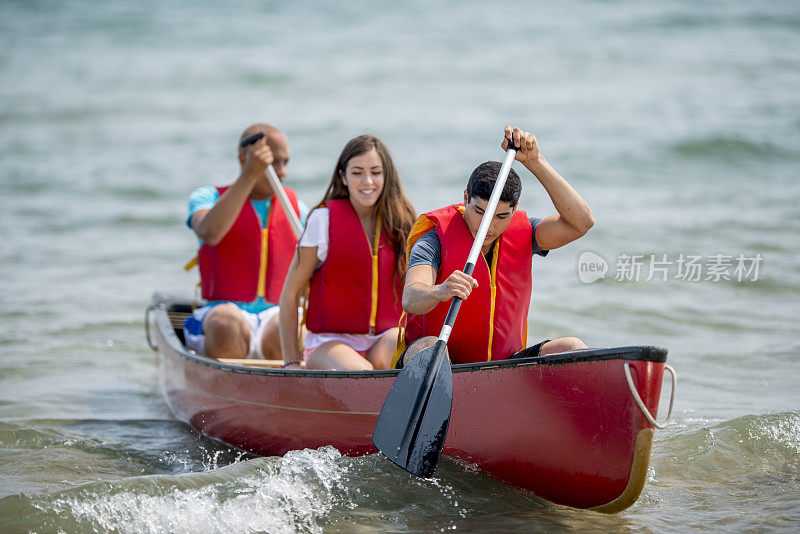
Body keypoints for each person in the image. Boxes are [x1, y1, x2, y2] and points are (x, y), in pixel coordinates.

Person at [396, 125, 595, 367]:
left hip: (502, 366)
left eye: (501, 217)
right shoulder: (434, 239)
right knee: (428, 349)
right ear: (466, 198)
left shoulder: (526, 232)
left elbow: (582, 223)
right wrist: (440, 291)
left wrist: (535, 161)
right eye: (480, 211)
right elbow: (411, 297)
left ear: (514, 208)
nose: (488, 226)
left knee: (572, 348)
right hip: (439, 360)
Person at [279, 135, 416, 370]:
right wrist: (291, 362)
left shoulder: (403, 224)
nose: (367, 181)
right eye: (357, 173)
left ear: (386, 176)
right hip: (329, 343)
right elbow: (290, 295)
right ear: (343, 177)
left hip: (383, 338)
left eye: (375, 172)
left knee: (416, 356)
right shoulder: (322, 220)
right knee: (363, 374)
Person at [184, 124, 309, 360]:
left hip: (276, 313)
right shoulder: (207, 197)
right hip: (221, 311)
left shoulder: (296, 208)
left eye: (286, 162)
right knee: (226, 325)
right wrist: (250, 174)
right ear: (244, 159)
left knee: (291, 329)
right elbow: (210, 233)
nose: (282, 172)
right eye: (274, 163)